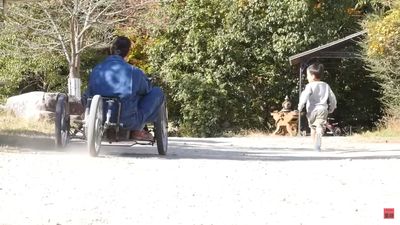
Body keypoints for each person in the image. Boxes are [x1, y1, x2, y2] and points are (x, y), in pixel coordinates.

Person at [84, 36, 164, 140]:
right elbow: (146, 89)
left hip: (97, 116)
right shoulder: (133, 72)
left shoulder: (96, 69)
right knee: (157, 92)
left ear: (111, 50)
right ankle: (137, 129)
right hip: (126, 120)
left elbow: (88, 93)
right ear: (127, 52)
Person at [297, 63, 337, 150]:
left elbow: (304, 96)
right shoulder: (326, 85)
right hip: (323, 109)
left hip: (312, 111)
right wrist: (332, 107)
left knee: (312, 128)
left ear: (313, 76)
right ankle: (319, 133)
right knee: (319, 125)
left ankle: (315, 145)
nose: (307, 78)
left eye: (307, 75)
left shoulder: (309, 86)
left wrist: (300, 107)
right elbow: (332, 97)